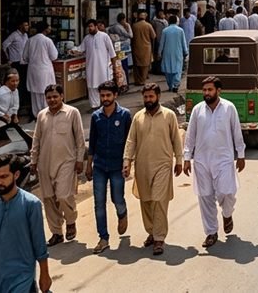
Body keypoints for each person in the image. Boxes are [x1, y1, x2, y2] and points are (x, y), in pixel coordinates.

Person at [182, 76, 245, 249]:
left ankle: (227, 213)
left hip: (224, 159)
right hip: (202, 161)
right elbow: (190, 136)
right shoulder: (197, 110)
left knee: (227, 192)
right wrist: (187, 158)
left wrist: (240, 154)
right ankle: (211, 232)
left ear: (218, 91)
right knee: (205, 197)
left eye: (210, 90)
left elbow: (236, 132)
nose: (207, 93)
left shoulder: (229, 108)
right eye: (204, 90)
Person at [123, 83, 183, 255]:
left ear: (158, 96)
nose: (148, 100)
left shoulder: (169, 115)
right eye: (145, 97)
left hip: (163, 164)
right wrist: (127, 161)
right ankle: (151, 231)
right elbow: (131, 141)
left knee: (158, 200)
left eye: (151, 96)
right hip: (142, 166)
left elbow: (176, 140)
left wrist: (179, 160)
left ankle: (159, 238)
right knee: (146, 200)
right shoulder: (138, 117)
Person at [29, 84, 84, 245]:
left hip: (66, 161)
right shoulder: (41, 115)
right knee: (48, 199)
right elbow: (36, 139)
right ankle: (56, 233)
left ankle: (71, 221)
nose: (52, 100)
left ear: (62, 96)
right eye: (49, 97)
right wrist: (33, 160)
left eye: (55, 96)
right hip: (44, 163)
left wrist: (79, 159)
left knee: (63, 195)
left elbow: (80, 139)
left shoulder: (72, 113)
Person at [0, 153, 51, 293]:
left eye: (4, 177)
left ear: (16, 175)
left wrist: (45, 274)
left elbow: (39, 243)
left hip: (22, 278)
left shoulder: (31, 204)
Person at [86, 80, 131, 254]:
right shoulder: (96, 116)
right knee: (99, 203)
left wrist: (128, 163)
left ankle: (122, 214)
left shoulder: (125, 115)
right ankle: (103, 238)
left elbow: (130, 142)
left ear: (115, 95)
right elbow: (92, 142)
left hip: (117, 166)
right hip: (99, 165)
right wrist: (88, 165)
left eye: (108, 95)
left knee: (117, 199)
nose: (105, 98)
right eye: (102, 95)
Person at [73, 19, 116, 111]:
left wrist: (115, 68)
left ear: (96, 26)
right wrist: (74, 50)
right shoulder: (87, 38)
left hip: (103, 67)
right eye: (88, 27)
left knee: (104, 87)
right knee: (92, 87)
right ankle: (94, 107)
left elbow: (112, 53)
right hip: (91, 67)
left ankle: (106, 104)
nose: (90, 28)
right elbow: (80, 49)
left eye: (91, 26)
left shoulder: (104, 36)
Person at [22, 23, 57, 117]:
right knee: (46, 94)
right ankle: (46, 115)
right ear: (45, 29)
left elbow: (24, 57)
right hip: (45, 70)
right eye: (49, 28)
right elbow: (54, 56)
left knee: (35, 95)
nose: (50, 29)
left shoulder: (30, 41)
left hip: (33, 71)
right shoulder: (47, 40)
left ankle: (37, 115)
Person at [0, 70, 30, 149]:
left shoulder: (15, 91)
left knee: (20, 131)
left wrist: (15, 114)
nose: (15, 83)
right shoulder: (0, 92)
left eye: (17, 81)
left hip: (9, 117)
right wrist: (1, 114)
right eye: (12, 81)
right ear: (6, 82)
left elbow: (15, 105)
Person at [158, 15, 188, 93]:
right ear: (176, 21)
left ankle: (170, 85)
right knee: (177, 69)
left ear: (169, 21)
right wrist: (186, 52)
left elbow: (162, 43)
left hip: (167, 53)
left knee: (168, 70)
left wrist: (159, 52)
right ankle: (176, 85)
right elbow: (183, 42)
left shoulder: (165, 30)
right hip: (178, 52)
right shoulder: (180, 30)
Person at [130, 12, 157, 87]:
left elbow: (131, 37)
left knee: (137, 65)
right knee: (145, 65)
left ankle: (137, 80)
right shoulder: (148, 25)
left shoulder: (134, 26)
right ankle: (142, 80)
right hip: (146, 48)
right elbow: (154, 36)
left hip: (136, 47)